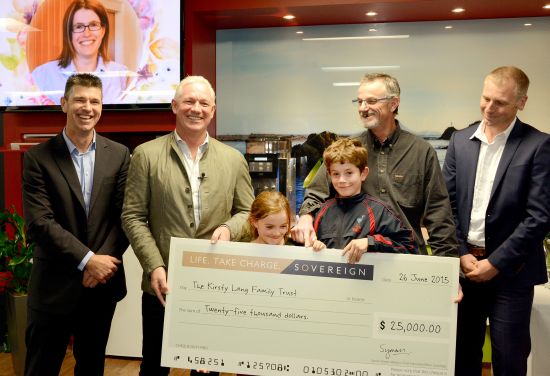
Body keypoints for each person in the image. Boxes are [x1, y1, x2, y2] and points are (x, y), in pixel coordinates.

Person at [121, 75, 255, 375]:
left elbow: (248, 211)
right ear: (174, 106)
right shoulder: (146, 154)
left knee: (208, 367)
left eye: (204, 103)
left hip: (215, 282)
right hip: (162, 282)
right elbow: (132, 216)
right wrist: (154, 266)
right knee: (155, 365)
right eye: (189, 101)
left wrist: (230, 229)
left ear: (213, 109)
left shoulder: (233, 159)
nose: (196, 108)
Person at [443, 66, 550, 376]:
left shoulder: (539, 145)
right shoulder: (461, 141)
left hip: (512, 275)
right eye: (485, 98)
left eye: (500, 102)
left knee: (509, 359)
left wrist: (496, 263)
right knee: (462, 356)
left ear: (522, 102)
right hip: (464, 270)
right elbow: (445, 206)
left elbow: (540, 216)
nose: (489, 108)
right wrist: (462, 253)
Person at [22, 73, 130, 376]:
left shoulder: (119, 155)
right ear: (64, 104)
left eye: (94, 101)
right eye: (80, 99)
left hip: (101, 288)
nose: (87, 107)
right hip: (54, 288)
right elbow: (40, 223)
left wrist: (101, 265)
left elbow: (124, 217)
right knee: (41, 368)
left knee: (92, 368)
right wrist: (88, 261)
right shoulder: (38, 158)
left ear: (101, 107)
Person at [292, 73, 457, 258]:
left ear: (394, 103)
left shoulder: (422, 152)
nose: (363, 108)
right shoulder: (349, 149)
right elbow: (316, 193)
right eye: (360, 101)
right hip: (354, 262)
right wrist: (306, 217)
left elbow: (439, 217)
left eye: (371, 101)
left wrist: (451, 276)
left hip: (406, 262)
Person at [309, 138, 417, 260]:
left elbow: (409, 247)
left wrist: (371, 242)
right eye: (336, 174)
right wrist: (315, 247)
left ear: (363, 173)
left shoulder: (379, 211)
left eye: (349, 173)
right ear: (329, 175)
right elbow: (304, 250)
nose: (342, 180)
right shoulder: (321, 212)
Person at [31, 0, 128, 105]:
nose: (87, 33)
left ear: (103, 30)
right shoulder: (43, 75)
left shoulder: (121, 75)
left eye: (93, 25)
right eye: (79, 26)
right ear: (69, 33)